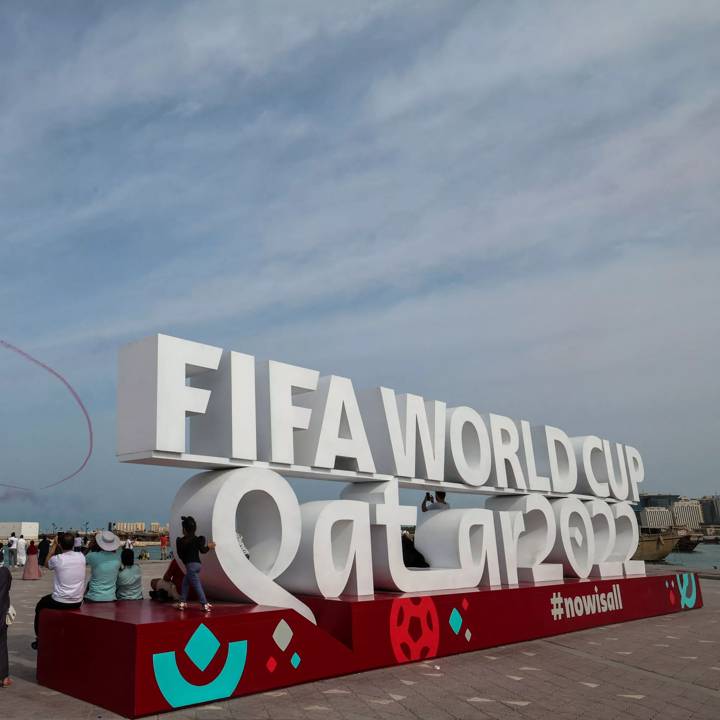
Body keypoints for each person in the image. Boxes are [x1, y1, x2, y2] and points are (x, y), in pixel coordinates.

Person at [33, 532, 85, 650]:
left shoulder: (58, 559)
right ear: (73, 544)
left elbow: (46, 564)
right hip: (77, 600)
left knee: (40, 605)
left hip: (60, 600)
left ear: (60, 544)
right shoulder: (81, 556)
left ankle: (39, 637)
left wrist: (53, 546)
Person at [175, 516, 215, 612]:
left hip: (190, 566)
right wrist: (209, 546)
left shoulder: (181, 541)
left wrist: (186, 562)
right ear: (195, 528)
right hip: (197, 565)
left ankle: (204, 604)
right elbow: (203, 550)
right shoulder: (198, 539)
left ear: (184, 529)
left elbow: (180, 555)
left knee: (197, 585)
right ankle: (182, 602)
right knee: (185, 583)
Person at [85, 531, 121, 602]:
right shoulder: (118, 558)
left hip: (93, 597)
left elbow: (79, 561)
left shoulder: (92, 556)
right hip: (111, 598)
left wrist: (88, 548)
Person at [0, 565, 11, 687]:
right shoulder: (5, 572)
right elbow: (8, 587)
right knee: (2, 643)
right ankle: (3, 677)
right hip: (2, 612)